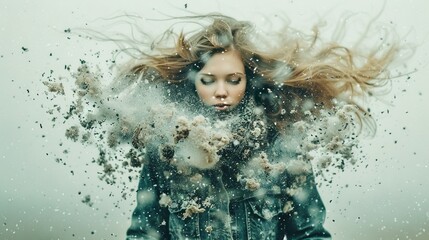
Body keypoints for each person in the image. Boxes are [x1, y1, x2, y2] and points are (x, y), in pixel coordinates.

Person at [121, 14, 398, 240]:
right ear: (193, 82)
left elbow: (310, 235)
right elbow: (144, 235)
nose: (221, 91)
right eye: (208, 80)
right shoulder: (165, 152)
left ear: (248, 81)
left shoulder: (282, 149)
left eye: (233, 80)